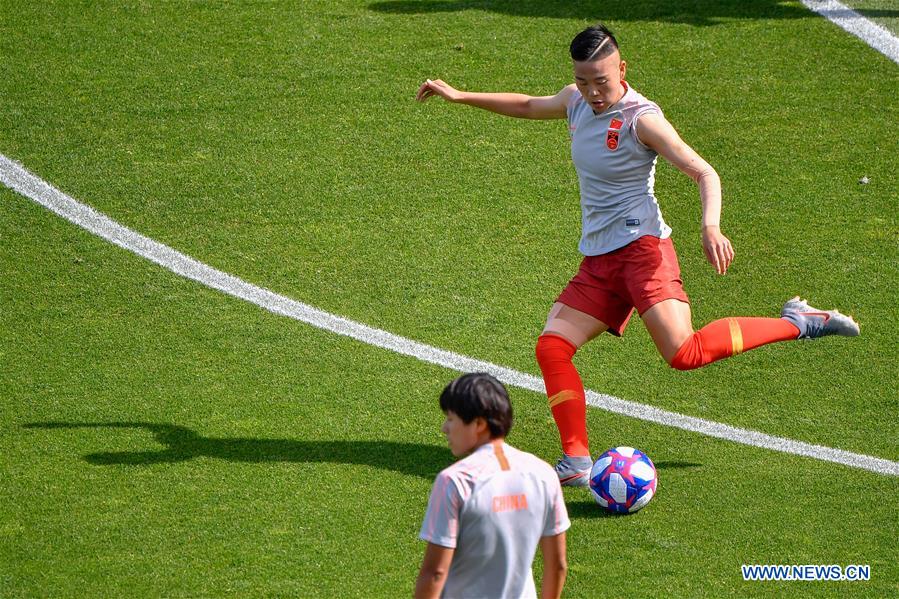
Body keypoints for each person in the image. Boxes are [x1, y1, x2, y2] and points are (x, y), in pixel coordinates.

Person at [415, 24, 860, 487]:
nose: (592, 92)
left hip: (643, 253)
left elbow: (704, 172)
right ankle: (577, 460)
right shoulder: (575, 101)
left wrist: (710, 226)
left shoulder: (640, 118)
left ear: (622, 70)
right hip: (599, 261)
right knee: (552, 346)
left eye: (601, 81)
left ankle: (799, 321)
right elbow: (529, 105)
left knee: (684, 353)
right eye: (583, 81)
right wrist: (460, 96)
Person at [415, 373, 569, 599]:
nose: (444, 428)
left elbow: (435, 573)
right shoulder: (544, 474)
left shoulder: (455, 481)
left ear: (478, 424)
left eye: (450, 419)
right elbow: (557, 566)